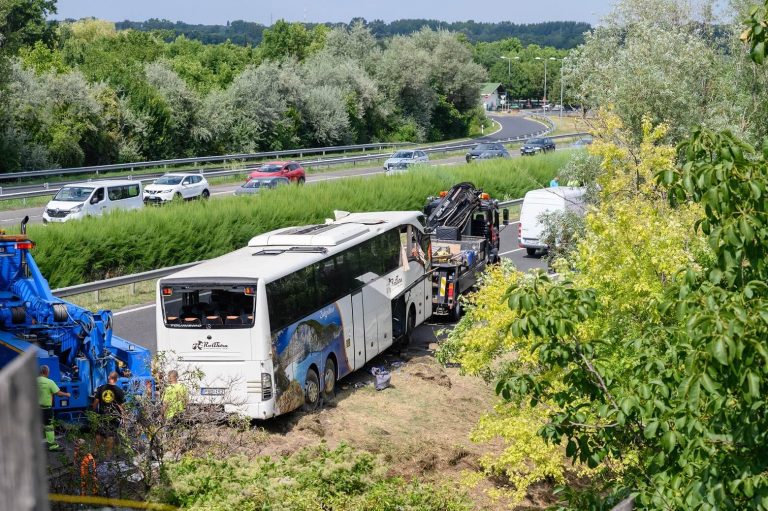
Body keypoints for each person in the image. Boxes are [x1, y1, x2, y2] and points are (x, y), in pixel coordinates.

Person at [92, 371, 125, 459]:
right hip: (113, 416)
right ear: (116, 379)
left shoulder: (101, 388)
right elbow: (121, 406)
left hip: (102, 415)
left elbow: (95, 403)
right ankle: (108, 456)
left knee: (100, 433)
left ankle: (95, 452)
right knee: (110, 435)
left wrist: (94, 413)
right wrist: (124, 416)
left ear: (108, 378)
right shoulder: (119, 391)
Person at [38, 365, 70, 451]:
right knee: (49, 427)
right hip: (46, 409)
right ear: (46, 372)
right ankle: (52, 446)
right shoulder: (49, 382)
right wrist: (66, 394)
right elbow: (58, 393)